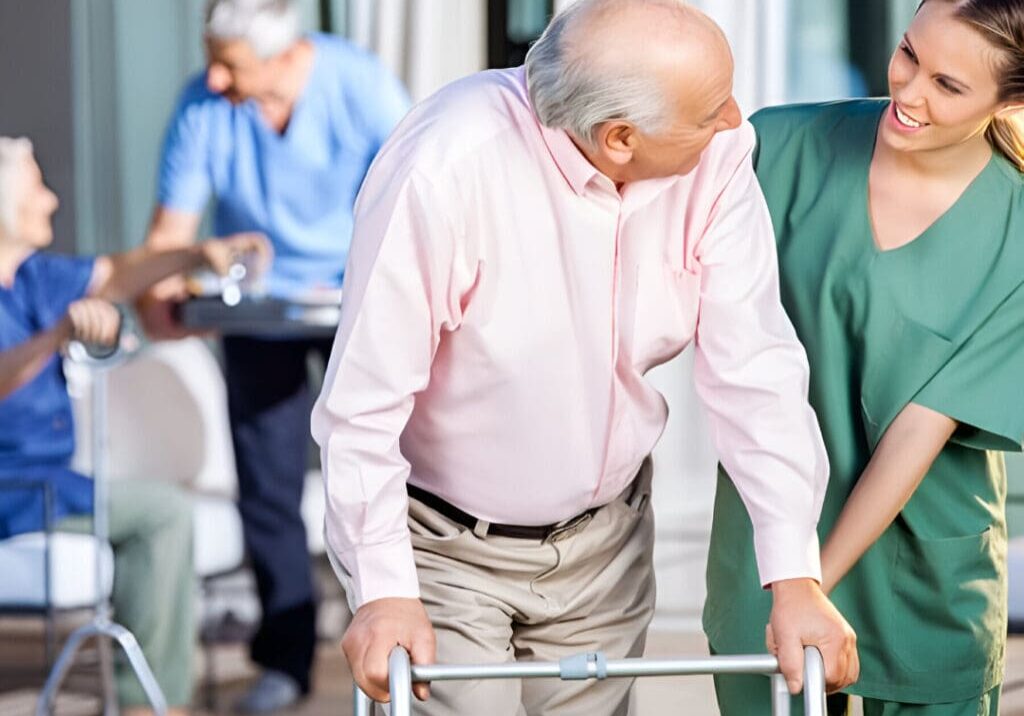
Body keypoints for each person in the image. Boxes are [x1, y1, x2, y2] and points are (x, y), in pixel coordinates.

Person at [310, 1, 859, 713]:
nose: (735, 120)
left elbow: (757, 375)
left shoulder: (719, 160)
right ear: (621, 138)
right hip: (446, 548)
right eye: (711, 108)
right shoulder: (446, 166)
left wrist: (795, 579)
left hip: (607, 545)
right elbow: (362, 404)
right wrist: (384, 589)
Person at [705, 1, 1024, 714]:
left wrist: (809, 582)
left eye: (948, 86)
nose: (908, 93)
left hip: (923, 577)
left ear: (1012, 99)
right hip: (763, 561)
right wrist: (788, 583)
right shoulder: (777, 148)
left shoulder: (1018, 229)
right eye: (908, 55)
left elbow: (919, 432)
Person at [135, 0, 410, 710]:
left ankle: (406, 644)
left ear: (286, 55)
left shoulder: (358, 83)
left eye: (230, 63)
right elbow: (173, 229)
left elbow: (418, 195)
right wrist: (161, 292)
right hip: (261, 314)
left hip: (361, 304)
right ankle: (286, 658)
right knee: (267, 490)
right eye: (213, 60)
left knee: (392, 470)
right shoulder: (204, 105)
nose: (215, 78)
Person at [0, 136, 268, 716]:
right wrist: (55, 338)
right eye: (37, 190)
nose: (50, 202)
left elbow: (120, 272)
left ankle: (147, 694)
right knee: (161, 512)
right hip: (14, 491)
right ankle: (146, 704)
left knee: (161, 510)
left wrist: (196, 255)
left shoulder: (34, 277)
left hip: (53, 483)